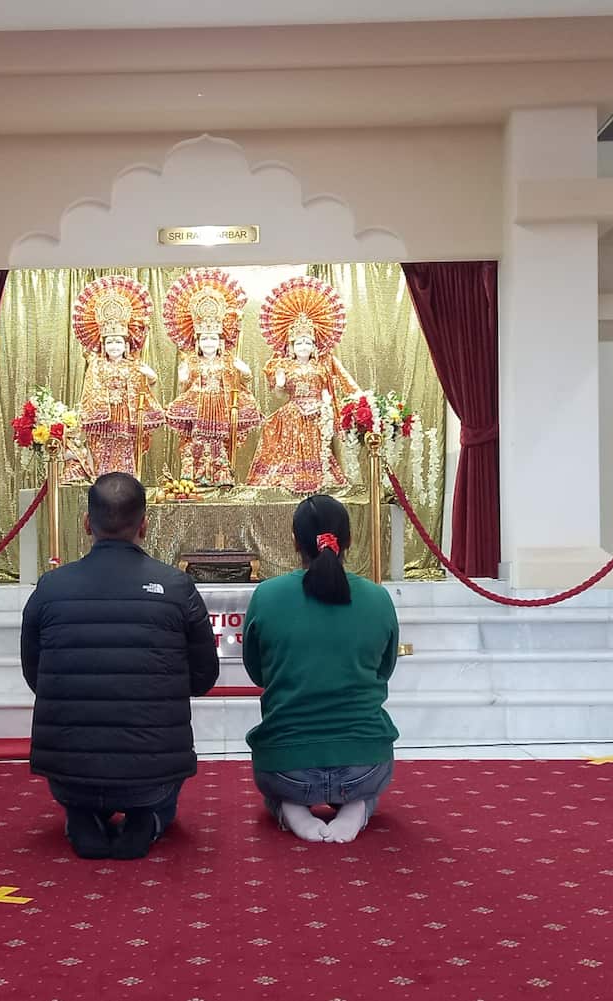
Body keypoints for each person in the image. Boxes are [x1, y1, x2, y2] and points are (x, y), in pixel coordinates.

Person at [21, 472, 220, 859]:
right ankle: (148, 818)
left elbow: (37, 676)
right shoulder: (176, 587)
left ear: (85, 523)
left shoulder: (50, 587)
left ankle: (81, 814)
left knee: (78, 786)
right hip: (153, 775)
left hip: (69, 770)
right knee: (156, 791)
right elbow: (203, 678)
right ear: (144, 525)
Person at [241, 494, 400, 843]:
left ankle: (289, 806)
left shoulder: (267, 595)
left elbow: (258, 673)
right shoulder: (378, 598)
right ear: (349, 541)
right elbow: (383, 670)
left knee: (276, 782)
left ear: (295, 541)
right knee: (368, 780)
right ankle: (357, 806)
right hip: (365, 765)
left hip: (286, 767)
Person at [247, 275, 359, 493]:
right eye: (299, 342)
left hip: (318, 414)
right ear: (291, 346)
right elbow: (279, 395)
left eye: (308, 342)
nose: (304, 346)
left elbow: (343, 384)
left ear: (315, 345)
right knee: (289, 451)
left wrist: (347, 401)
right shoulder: (282, 365)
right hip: (293, 414)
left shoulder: (325, 363)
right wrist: (280, 384)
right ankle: (292, 482)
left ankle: (317, 482)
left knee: (319, 451)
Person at [162, 268, 263, 484]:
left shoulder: (227, 360)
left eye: (213, 339)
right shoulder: (190, 360)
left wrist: (244, 371)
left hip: (221, 405)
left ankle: (221, 474)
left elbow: (243, 380)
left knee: (219, 441)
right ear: (198, 341)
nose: (209, 343)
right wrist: (183, 378)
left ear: (220, 341)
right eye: (205, 339)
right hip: (198, 405)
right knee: (197, 439)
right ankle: (196, 476)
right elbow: (184, 385)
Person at [72, 275, 165, 478]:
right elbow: (90, 393)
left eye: (118, 342)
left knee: (126, 456)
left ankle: (127, 494)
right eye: (110, 342)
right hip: (102, 419)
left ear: (126, 345)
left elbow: (146, 389)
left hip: (127, 416)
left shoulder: (135, 365)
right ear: (103, 345)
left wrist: (151, 378)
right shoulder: (96, 365)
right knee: (102, 456)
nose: (114, 346)